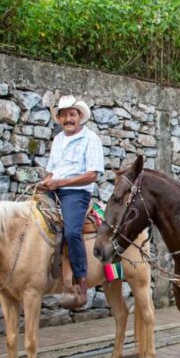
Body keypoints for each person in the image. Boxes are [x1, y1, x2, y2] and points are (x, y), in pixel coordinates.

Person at [39, 95, 104, 307]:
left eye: (72, 114)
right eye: (64, 115)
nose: (68, 119)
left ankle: (81, 282)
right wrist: (46, 182)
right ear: (59, 119)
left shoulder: (91, 139)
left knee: (72, 232)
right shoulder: (58, 139)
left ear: (79, 116)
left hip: (75, 194)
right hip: (54, 190)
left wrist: (60, 182)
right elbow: (51, 171)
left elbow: (93, 174)